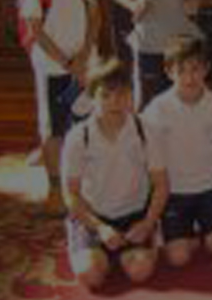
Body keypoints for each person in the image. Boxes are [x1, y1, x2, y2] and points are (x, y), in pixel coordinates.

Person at [19, 0, 104, 215]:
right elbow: (36, 29)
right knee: (54, 128)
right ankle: (55, 190)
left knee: (87, 122)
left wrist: (83, 56)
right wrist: (68, 63)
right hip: (53, 67)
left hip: (85, 65)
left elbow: (95, 15)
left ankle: (88, 186)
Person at [61, 59, 168, 289]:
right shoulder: (78, 136)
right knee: (90, 276)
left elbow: (161, 184)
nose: (114, 102)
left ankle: (127, 252)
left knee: (141, 272)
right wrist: (100, 228)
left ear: (131, 95)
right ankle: (91, 248)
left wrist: (148, 222)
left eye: (122, 94)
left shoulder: (145, 130)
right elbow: (71, 194)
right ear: (92, 97)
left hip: (134, 216)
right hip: (93, 216)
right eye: (105, 95)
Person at [141, 36, 212, 267]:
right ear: (168, 72)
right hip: (173, 191)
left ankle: (208, 227)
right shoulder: (157, 109)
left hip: (211, 187)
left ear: (206, 69)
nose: (189, 78)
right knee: (178, 259)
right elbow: (149, 161)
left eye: (195, 69)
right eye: (181, 71)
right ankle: (184, 231)